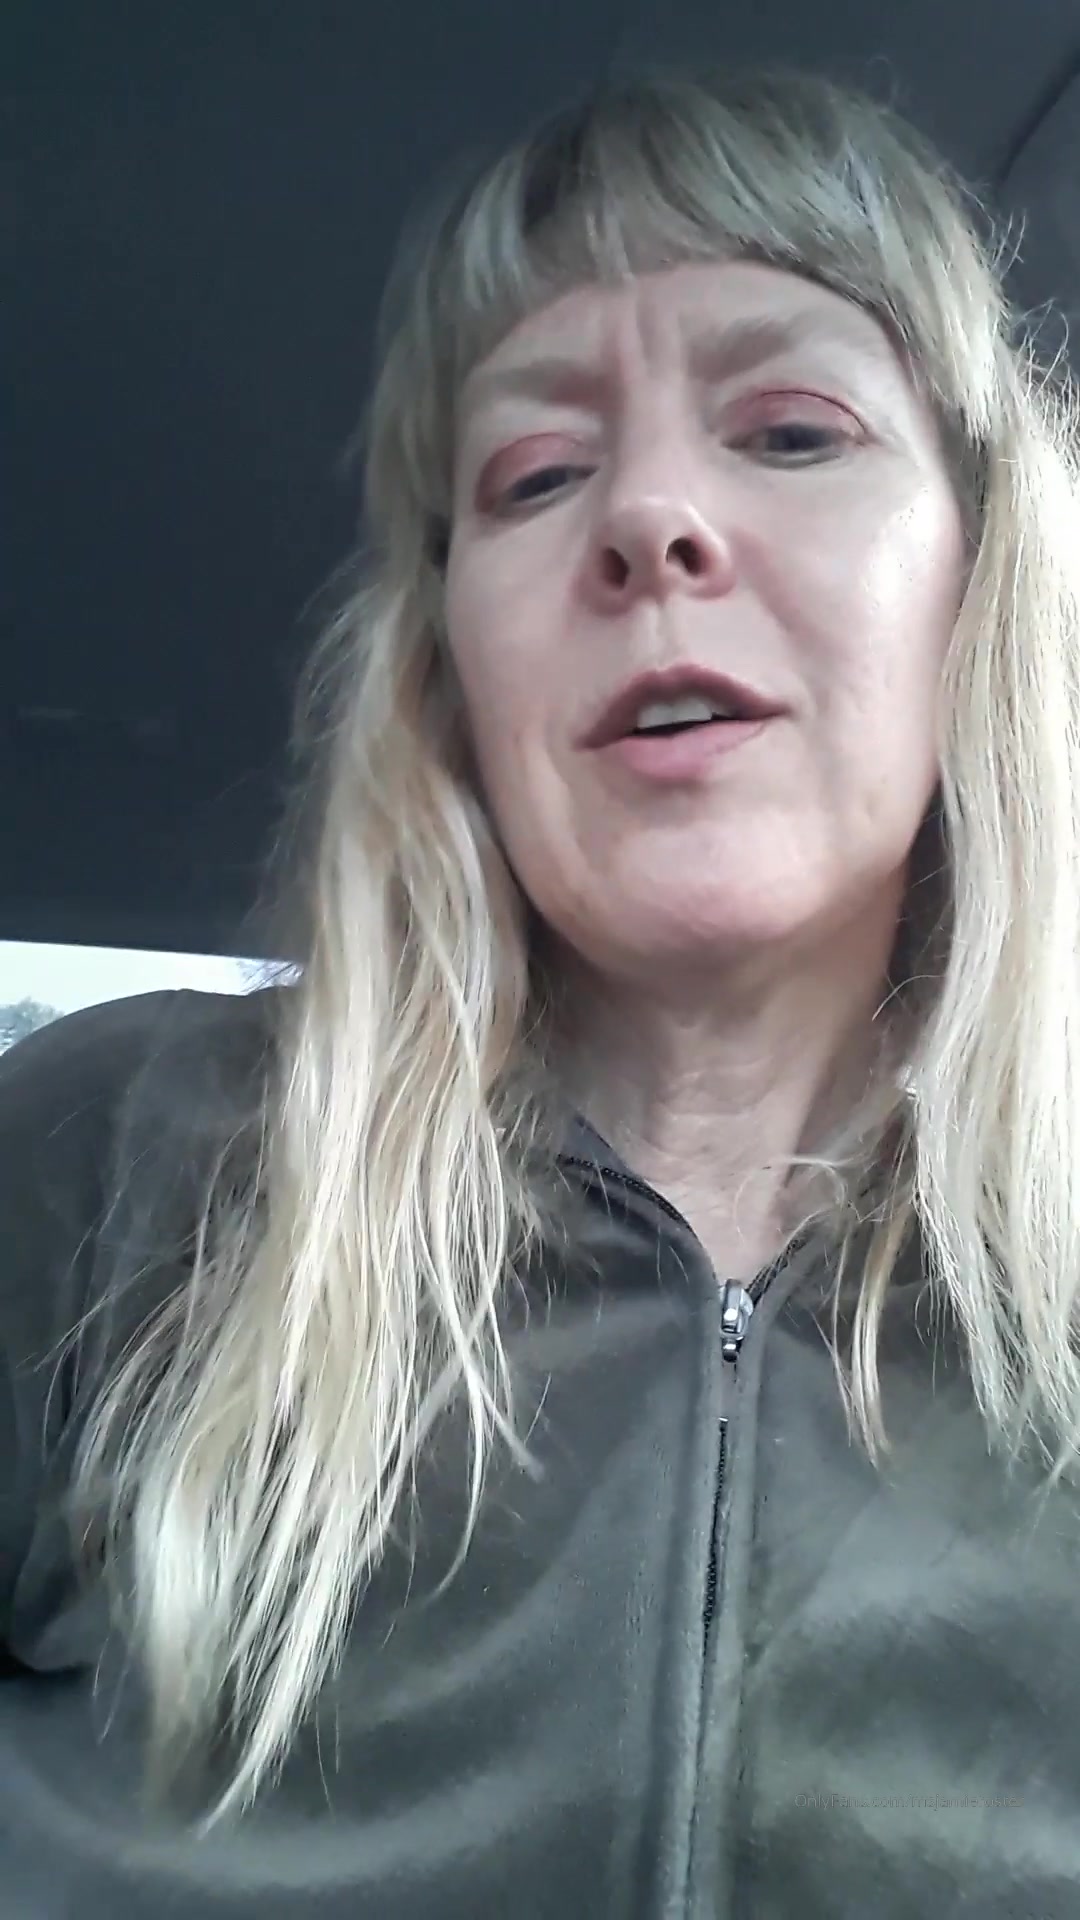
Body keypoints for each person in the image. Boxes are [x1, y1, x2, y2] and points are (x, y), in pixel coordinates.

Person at [3, 57, 1080, 1920]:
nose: (649, 517)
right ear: (449, 668)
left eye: (793, 433)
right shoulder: (104, 1167)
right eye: (538, 474)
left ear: (976, 578)